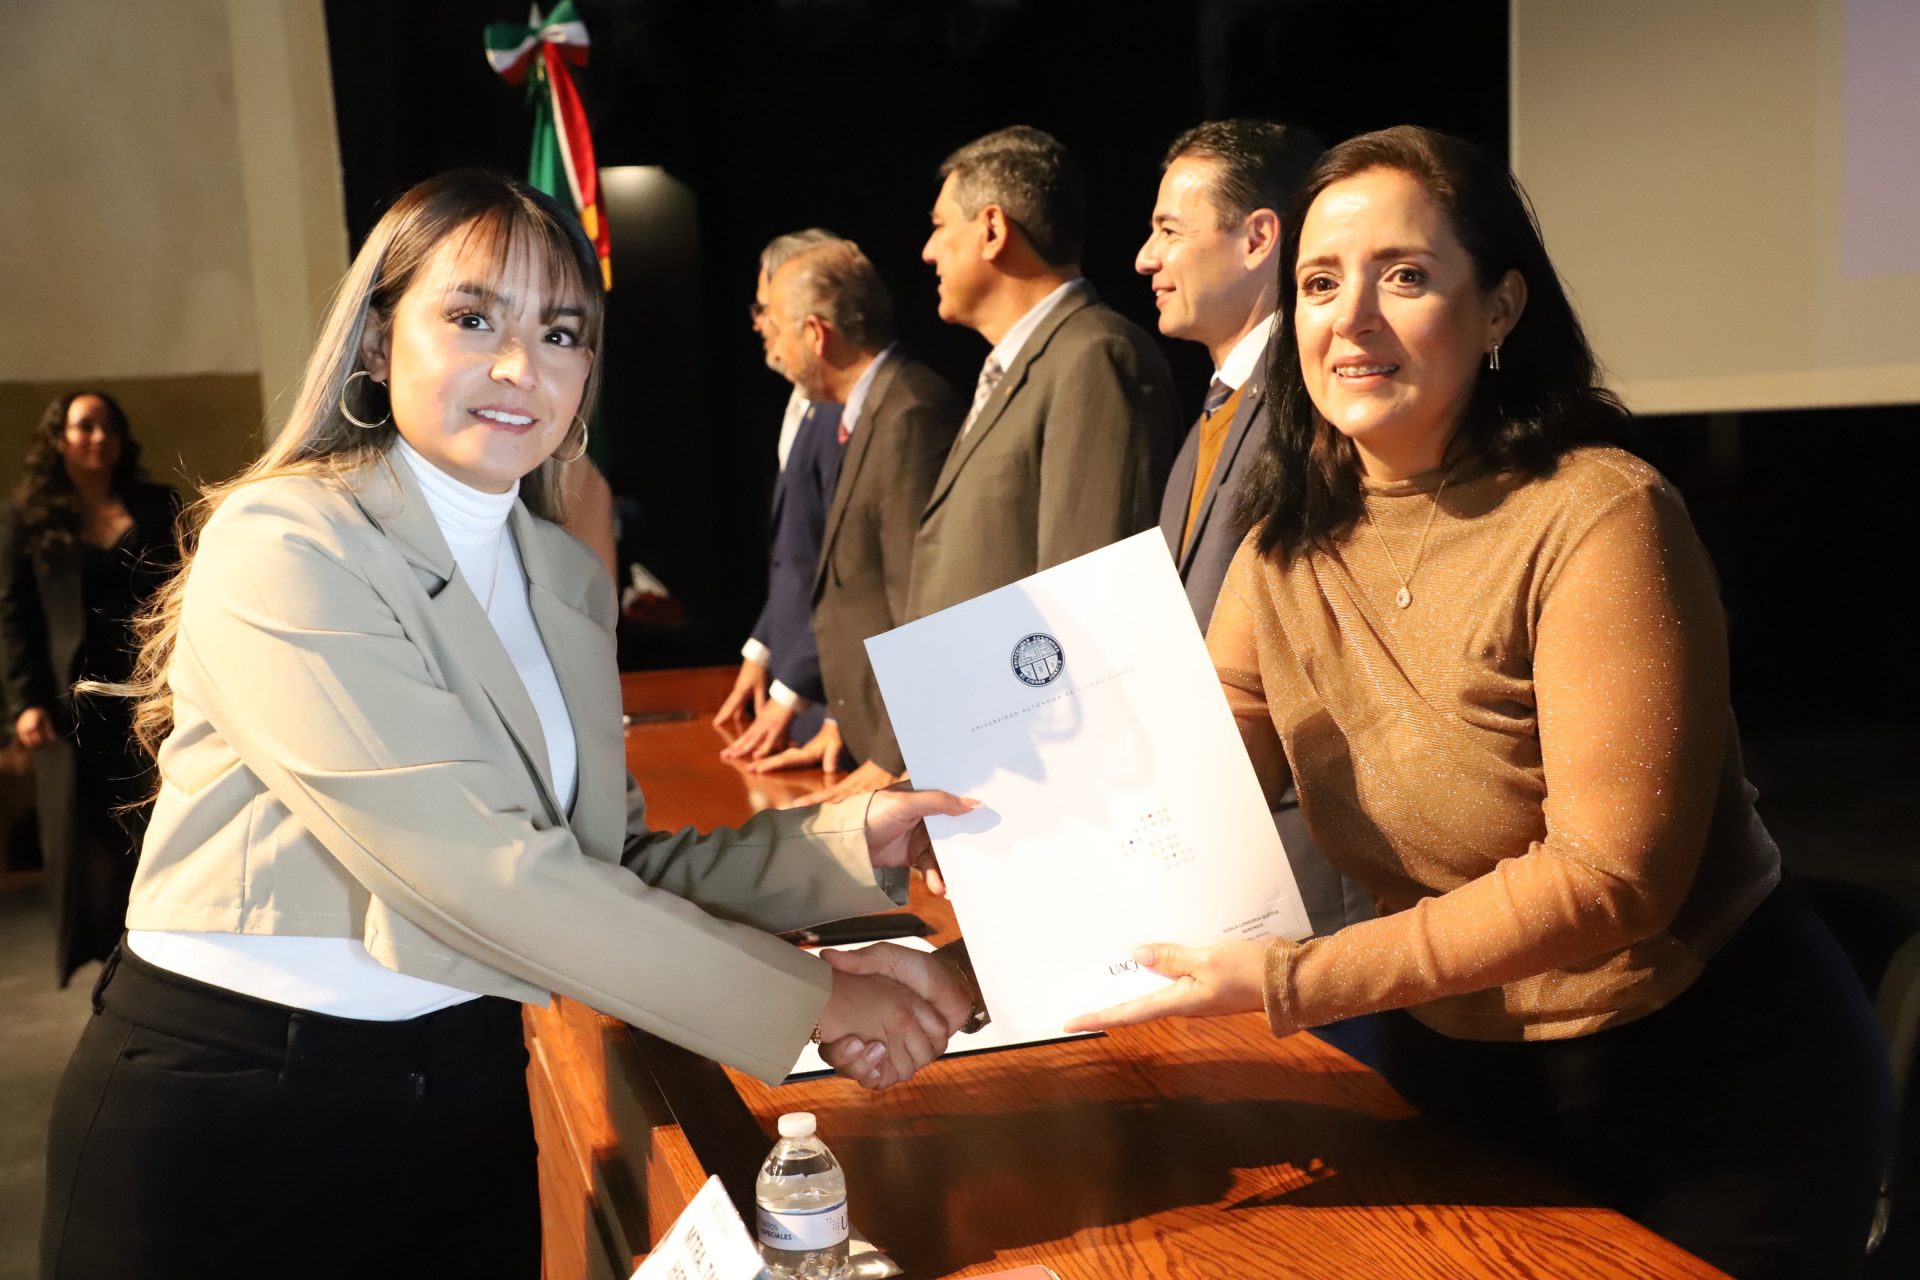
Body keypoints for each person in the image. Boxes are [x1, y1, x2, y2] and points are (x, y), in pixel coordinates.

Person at [40, 172, 973, 1280]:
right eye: (473, 318)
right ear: (378, 340)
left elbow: (603, 864)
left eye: (561, 332)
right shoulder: (285, 539)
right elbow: (483, 877)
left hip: (462, 1092)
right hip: (235, 1114)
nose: (522, 365)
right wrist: (819, 997)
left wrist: (851, 843)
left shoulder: (560, 579)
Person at [1068, 126, 1892, 1278]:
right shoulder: (1280, 548)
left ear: (1500, 308)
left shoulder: (1600, 514)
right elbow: (1184, 789)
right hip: (1455, 1065)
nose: (1351, 319)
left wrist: (1296, 980)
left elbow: (1610, 878)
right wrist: (990, 906)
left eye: (1403, 275)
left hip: (1705, 1089)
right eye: (1319, 283)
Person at [1137, 119, 1373, 954]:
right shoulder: (1216, 407)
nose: (1146, 258)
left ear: (1258, 239)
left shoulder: (1318, 402)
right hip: (1228, 856)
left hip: (1309, 877)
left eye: (1169, 230)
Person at [908, 125, 1180, 626]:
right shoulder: (1019, 366)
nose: (928, 250)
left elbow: (1089, 599)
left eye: (940, 225)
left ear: (992, 230)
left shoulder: (1094, 356)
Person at [747, 241, 960, 804]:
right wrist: (841, 723)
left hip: (906, 763)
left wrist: (895, 755)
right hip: (866, 740)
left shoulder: (909, 412)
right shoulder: (865, 411)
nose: (773, 346)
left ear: (816, 334)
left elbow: (920, 603)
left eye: (779, 329)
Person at [1, 391, 180, 984]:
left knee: (156, 821)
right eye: (85, 427)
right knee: (86, 843)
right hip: (70, 703)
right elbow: (14, 615)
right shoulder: (27, 519)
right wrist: (25, 701)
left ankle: (162, 950)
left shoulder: (156, 505)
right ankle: (110, 963)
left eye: (109, 427)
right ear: (60, 440)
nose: (99, 437)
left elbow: (185, 588)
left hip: (148, 694)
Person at [714, 230, 847, 764]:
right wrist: (760, 649)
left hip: (830, 704)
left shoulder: (840, 410)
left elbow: (842, 570)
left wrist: (793, 693)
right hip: (792, 696)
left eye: (766, 308)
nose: (758, 322)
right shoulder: (805, 402)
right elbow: (794, 553)